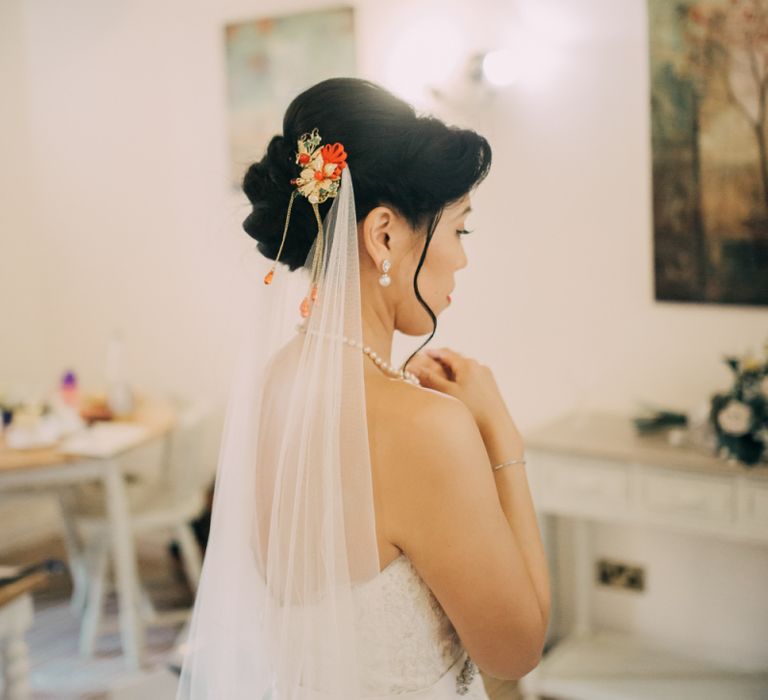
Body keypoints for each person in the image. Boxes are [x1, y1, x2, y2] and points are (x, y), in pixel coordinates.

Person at [176, 77, 550, 699]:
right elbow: (516, 652)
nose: (461, 259)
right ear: (383, 235)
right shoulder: (425, 425)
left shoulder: (276, 382)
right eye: (460, 231)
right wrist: (501, 438)